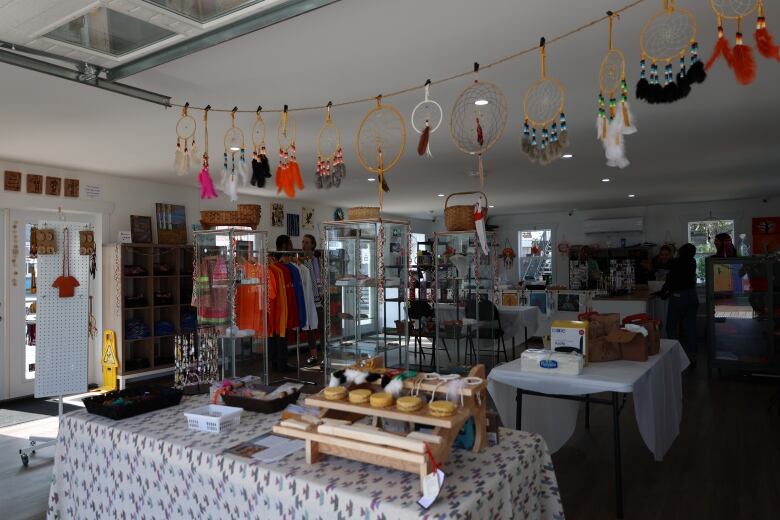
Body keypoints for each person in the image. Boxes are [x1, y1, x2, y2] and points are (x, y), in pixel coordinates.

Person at [658, 243, 698, 363]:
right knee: (690, 327)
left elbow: (670, 281)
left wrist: (663, 293)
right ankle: (693, 354)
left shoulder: (676, 263)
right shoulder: (693, 262)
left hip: (679, 297)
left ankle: (677, 355)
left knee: (671, 327)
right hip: (692, 296)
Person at [301, 234, 324, 368]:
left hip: (318, 298)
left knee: (320, 327)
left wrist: (320, 293)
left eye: (307, 242)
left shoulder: (317, 261)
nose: (305, 245)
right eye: (303, 242)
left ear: (313, 245)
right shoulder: (301, 262)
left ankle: (324, 355)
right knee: (309, 327)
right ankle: (313, 355)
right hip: (306, 297)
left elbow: (319, 279)